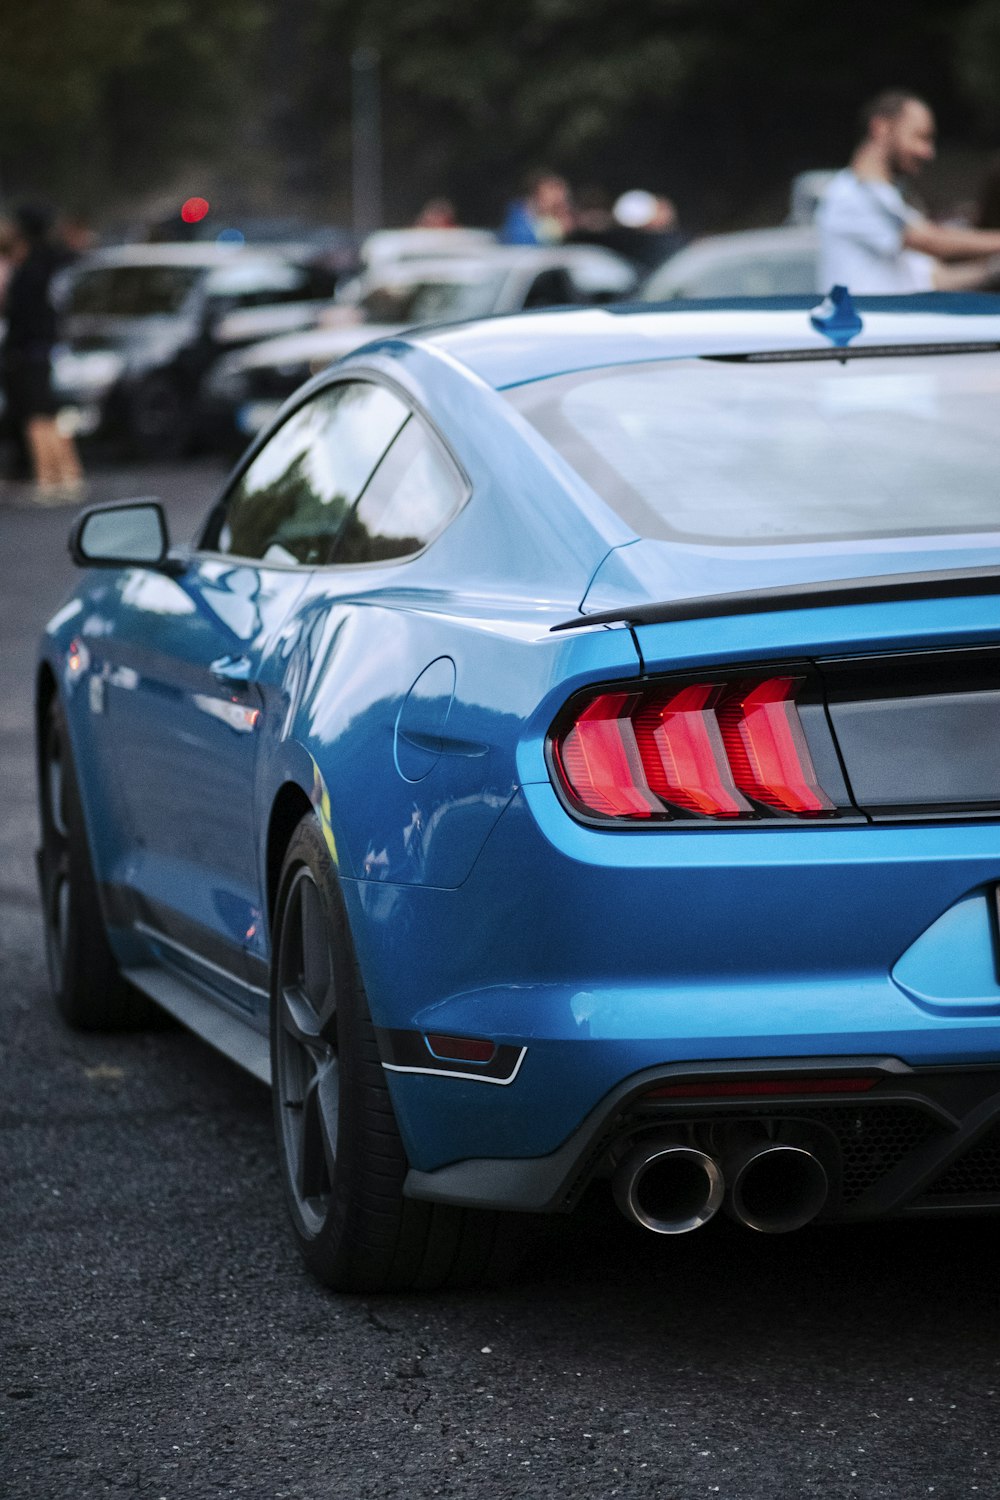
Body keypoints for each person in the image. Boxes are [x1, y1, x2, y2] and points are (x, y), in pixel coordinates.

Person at [817, 90, 1000, 293]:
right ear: (881, 128)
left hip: (899, 319)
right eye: (920, 137)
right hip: (867, 323)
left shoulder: (890, 199)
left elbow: (934, 279)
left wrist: (992, 269)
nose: (928, 152)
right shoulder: (853, 194)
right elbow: (930, 240)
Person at [1, 204, 84, 501]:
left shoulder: (33, 268)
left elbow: (23, 313)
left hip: (30, 351)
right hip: (39, 348)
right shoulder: (48, 260)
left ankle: (52, 478)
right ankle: (64, 474)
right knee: (44, 413)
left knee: (39, 416)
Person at [499, 171, 573, 245]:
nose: (556, 201)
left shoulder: (558, 220)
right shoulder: (518, 215)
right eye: (551, 194)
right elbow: (519, 243)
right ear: (536, 194)